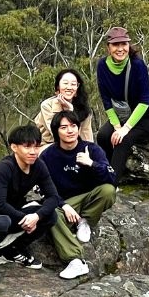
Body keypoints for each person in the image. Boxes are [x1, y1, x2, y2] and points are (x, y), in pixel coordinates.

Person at [0, 124, 61, 286]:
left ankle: (12, 250)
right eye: (27, 147)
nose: (33, 151)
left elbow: (53, 197)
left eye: (37, 146)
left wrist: (36, 216)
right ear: (14, 147)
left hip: (13, 211)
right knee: (3, 221)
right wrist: (24, 218)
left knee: (50, 215)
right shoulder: (4, 167)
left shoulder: (39, 166)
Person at [40, 110, 116, 279]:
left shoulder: (92, 149)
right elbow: (46, 189)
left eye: (73, 126)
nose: (70, 130)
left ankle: (85, 221)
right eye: (64, 127)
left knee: (108, 191)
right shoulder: (48, 156)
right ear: (56, 132)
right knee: (49, 214)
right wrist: (63, 205)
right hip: (65, 202)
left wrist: (92, 164)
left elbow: (112, 178)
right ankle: (75, 260)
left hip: (90, 197)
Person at [96, 26, 149, 184]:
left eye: (124, 44)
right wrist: (117, 125)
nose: (120, 49)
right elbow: (105, 98)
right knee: (103, 136)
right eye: (115, 45)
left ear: (128, 45)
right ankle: (113, 169)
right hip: (123, 115)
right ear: (108, 47)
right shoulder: (102, 66)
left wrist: (125, 129)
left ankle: (110, 184)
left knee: (122, 140)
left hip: (148, 116)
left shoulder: (137, 65)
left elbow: (145, 100)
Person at [35, 68, 95, 146]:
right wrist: (70, 112)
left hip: (77, 146)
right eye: (65, 83)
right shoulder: (47, 105)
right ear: (58, 87)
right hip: (50, 145)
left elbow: (87, 138)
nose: (69, 87)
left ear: (77, 87)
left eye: (73, 84)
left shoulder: (84, 108)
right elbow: (57, 135)